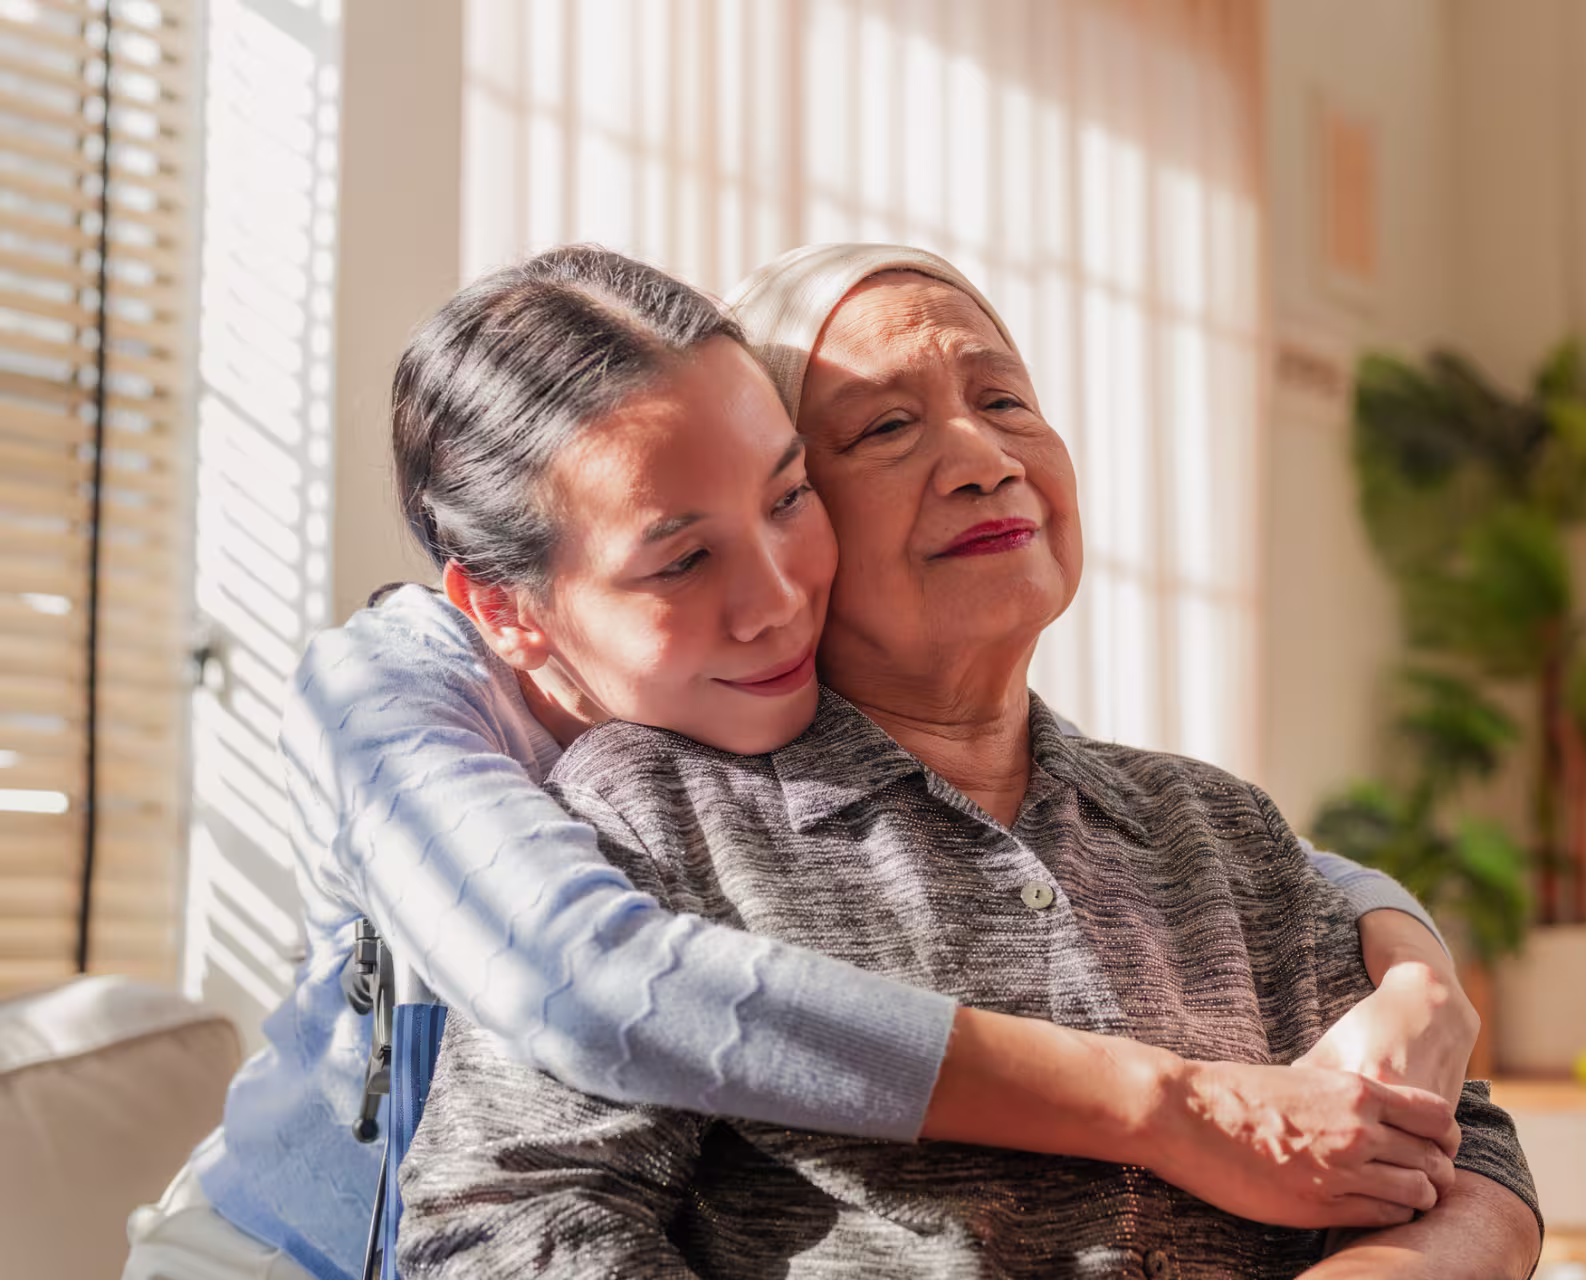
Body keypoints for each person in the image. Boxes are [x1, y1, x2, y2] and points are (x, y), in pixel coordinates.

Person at [122, 247, 1476, 1280]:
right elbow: (590, 992)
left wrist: (1413, 960)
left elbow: (1367, 991)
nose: (777, 600)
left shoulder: (1188, 816)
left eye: (784, 500)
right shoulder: (432, 716)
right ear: (509, 609)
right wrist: (1170, 1106)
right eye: (883, 429)